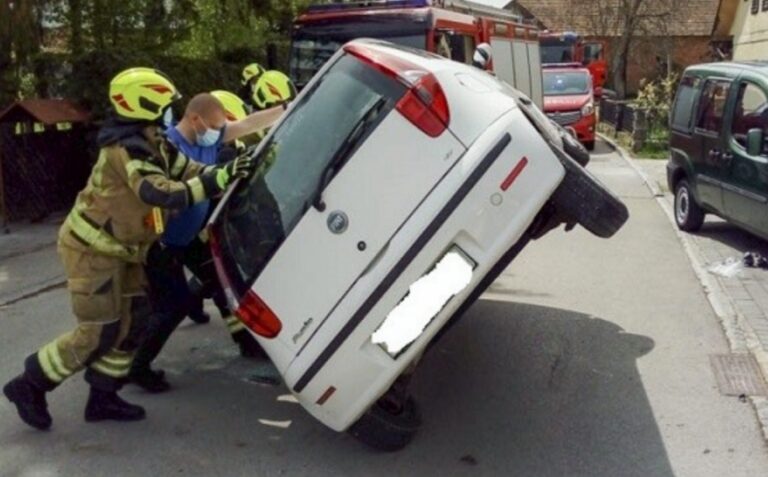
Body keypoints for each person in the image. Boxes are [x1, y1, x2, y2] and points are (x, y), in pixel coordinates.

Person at [2, 68, 255, 430]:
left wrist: (225, 171)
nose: (168, 109)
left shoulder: (151, 137)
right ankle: (29, 385)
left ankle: (103, 395)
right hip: (93, 250)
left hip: (126, 250)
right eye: (163, 103)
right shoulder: (127, 148)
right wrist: (214, 179)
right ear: (144, 102)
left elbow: (185, 169)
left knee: (136, 320)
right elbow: (158, 191)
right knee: (98, 331)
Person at [128, 91, 286, 393]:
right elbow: (166, 191)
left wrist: (290, 106)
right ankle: (138, 367)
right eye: (213, 127)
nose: (217, 134)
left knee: (223, 283)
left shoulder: (213, 135)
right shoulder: (169, 147)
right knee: (172, 307)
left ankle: (246, 342)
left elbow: (250, 123)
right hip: (161, 243)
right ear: (194, 118)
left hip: (190, 237)